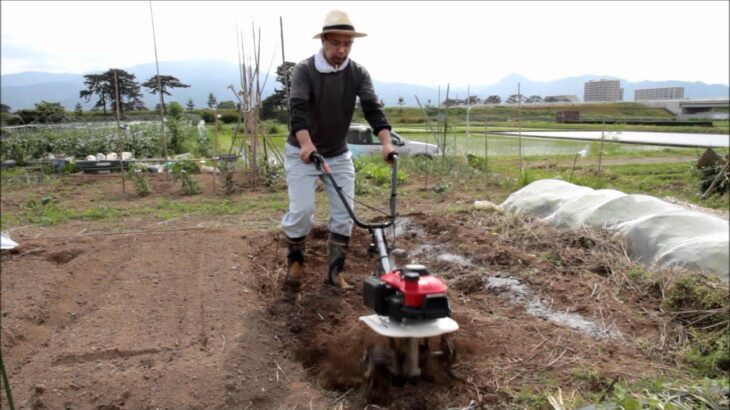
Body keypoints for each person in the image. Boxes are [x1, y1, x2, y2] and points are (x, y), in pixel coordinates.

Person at [281, 9, 395, 290]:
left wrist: (386, 142)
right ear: (323, 41)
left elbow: (372, 109)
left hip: (338, 153)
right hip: (302, 152)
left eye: (347, 44)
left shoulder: (357, 73)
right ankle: (295, 264)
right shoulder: (305, 70)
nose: (341, 50)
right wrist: (307, 145)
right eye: (335, 43)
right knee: (302, 211)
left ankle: (334, 274)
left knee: (345, 214)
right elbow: (298, 112)